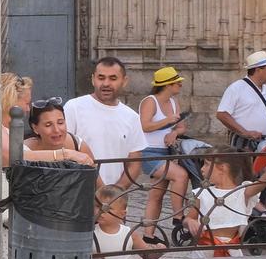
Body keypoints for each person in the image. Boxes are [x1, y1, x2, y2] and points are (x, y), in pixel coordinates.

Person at [65, 57, 141, 189]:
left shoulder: (132, 117)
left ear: (124, 81)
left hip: (114, 201)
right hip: (78, 195)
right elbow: (63, 150)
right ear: (93, 79)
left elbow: (134, 162)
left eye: (113, 78)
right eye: (101, 78)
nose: (106, 83)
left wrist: (116, 191)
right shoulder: (73, 108)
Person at [138, 67, 190, 231]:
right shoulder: (150, 101)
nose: (180, 86)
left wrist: (174, 132)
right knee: (181, 176)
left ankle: (148, 234)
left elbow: (182, 127)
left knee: (156, 195)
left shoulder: (174, 102)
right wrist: (167, 121)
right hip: (149, 152)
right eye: (177, 83)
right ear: (168, 85)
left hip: (166, 153)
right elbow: (144, 126)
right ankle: (178, 217)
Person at [188, 154, 266, 257]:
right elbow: (189, 218)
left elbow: (261, 184)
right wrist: (190, 221)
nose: (202, 169)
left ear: (222, 168)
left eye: (207, 164)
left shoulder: (242, 193)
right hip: (203, 252)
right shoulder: (202, 193)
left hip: (232, 252)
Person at [217, 51, 266, 152]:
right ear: (258, 70)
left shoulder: (265, 89)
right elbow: (222, 114)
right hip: (245, 142)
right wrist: (245, 132)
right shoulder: (236, 88)